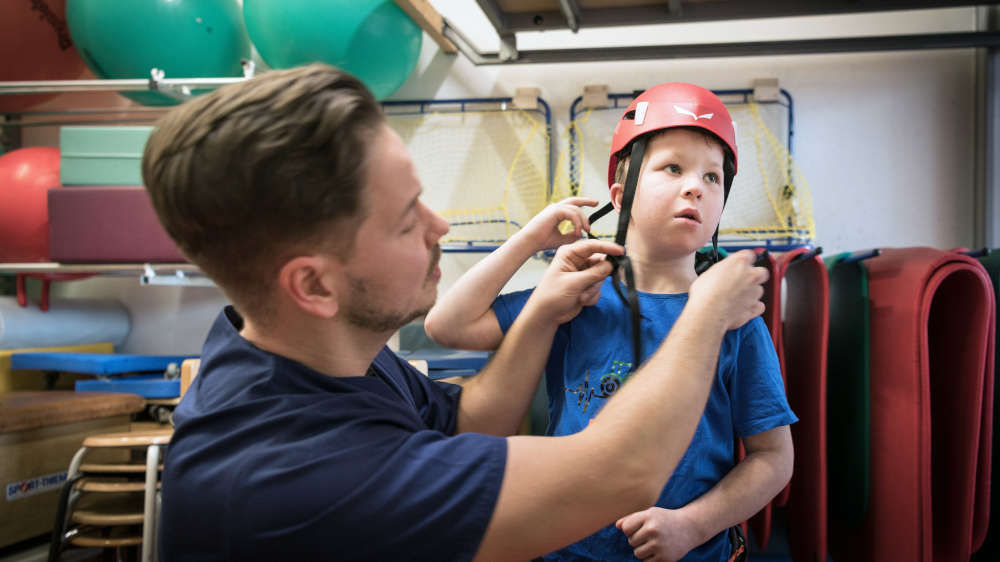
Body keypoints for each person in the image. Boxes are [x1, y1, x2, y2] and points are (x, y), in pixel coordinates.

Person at [142, 64, 770, 561]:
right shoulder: (297, 477)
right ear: (314, 286)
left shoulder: (332, 361)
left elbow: (471, 418)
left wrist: (541, 315)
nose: (440, 225)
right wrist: (705, 318)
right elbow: (616, 473)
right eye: (407, 218)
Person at [426, 82, 796, 561]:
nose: (695, 187)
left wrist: (691, 525)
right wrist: (528, 240)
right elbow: (447, 325)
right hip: (564, 548)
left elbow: (774, 458)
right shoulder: (577, 292)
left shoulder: (732, 313)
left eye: (712, 178)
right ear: (619, 198)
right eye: (673, 168)